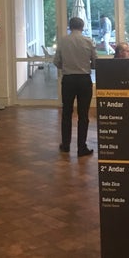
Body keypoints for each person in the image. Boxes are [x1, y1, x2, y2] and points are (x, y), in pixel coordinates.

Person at [53, 17, 97, 157]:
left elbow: (56, 61)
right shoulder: (88, 41)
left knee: (66, 113)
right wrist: (86, 66)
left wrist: (66, 66)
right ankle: (81, 147)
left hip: (68, 80)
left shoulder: (63, 41)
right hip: (84, 80)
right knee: (83, 115)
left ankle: (66, 145)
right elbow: (95, 63)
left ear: (70, 26)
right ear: (82, 27)